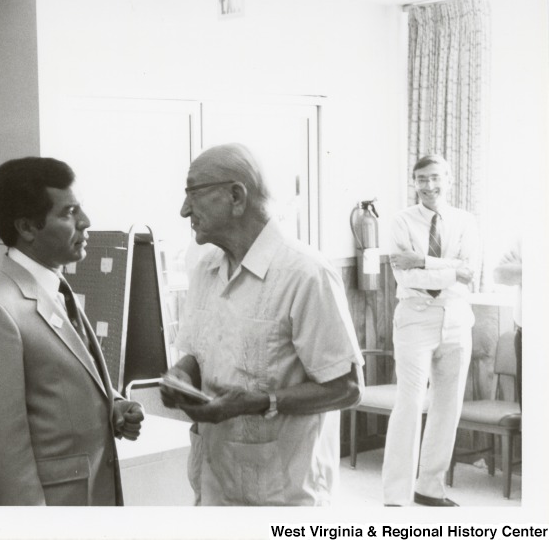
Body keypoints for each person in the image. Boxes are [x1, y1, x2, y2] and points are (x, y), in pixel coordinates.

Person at [160, 143, 364, 506]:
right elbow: (198, 352)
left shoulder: (306, 274)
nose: (184, 209)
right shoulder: (206, 268)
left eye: (193, 193)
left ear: (236, 196)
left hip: (283, 495)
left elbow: (347, 387)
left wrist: (259, 402)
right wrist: (180, 374)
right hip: (213, 485)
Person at [0, 157, 144, 506]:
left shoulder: (54, 287)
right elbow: (1, 456)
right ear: (27, 228)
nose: (85, 222)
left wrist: (112, 404)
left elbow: (55, 382)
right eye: (69, 212)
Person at [383, 154, 480, 507]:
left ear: (449, 179)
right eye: (422, 179)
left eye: (436, 178)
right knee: (408, 404)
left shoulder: (466, 221)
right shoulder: (401, 222)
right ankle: (395, 495)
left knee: (447, 406)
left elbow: (471, 270)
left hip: (456, 318)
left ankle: (430, 488)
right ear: (414, 182)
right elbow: (404, 275)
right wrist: (452, 269)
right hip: (415, 317)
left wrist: (424, 260)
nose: (429, 186)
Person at [493, 236, 522, 408]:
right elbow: (499, 274)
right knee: (530, 413)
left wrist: (520, 269)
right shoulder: (526, 238)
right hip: (527, 337)